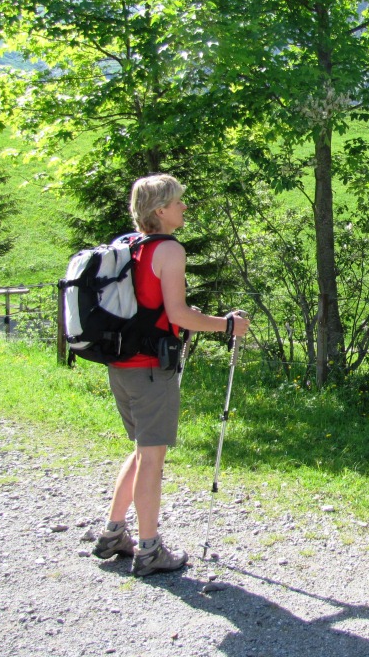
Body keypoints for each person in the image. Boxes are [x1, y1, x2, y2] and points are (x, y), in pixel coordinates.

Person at [91, 174, 248, 577]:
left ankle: (113, 533)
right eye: (178, 201)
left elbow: (151, 307)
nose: (184, 207)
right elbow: (178, 314)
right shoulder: (169, 250)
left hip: (121, 365)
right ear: (160, 210)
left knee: (142, 451)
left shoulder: (130, 245)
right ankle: (149, 550)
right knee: (152, 459)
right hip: (149, 370)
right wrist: (229, 325)